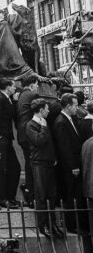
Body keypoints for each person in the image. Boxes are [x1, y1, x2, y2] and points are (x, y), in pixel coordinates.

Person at [26, 98, 64, 239]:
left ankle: (52, 223)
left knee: (51, 195)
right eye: (47, 109)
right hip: (38, 164)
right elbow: (39, 141)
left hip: (48, 163)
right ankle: (43, 225)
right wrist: (43, 127)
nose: (48, 111)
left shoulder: (44, 123)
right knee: (41, 195)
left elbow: (50, 143)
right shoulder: (30, 125)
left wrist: (53, 157)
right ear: (41, 110)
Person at [52, 92, 86, 233]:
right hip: (69, 167)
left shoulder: (70, 119)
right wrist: (73, 166)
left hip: (75, 163)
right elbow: (64, 147)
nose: (77, 108)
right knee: (71, 195)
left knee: (76, 194)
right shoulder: (61, 122)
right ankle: (71, 225)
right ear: (67, 106)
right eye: (75, 106)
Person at [0, 78, 21, 208]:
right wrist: (0, 138)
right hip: (0, 139)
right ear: (8, 87)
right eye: (13, 86)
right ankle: (2, 198)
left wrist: (14, 101)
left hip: (7, 139)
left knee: (15, 168)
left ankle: (10, 196)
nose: (15, 88)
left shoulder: (7, 99)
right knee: (1, 169)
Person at [16, 73, 41, 205]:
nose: (37, 87)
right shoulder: (32, 95)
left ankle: (29, 191)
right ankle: (32, 194)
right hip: (30, 134)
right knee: (34, 165)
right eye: (37, 85)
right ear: (32, 85)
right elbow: (41, 110)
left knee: (29, 164)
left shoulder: (21, 95)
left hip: (22, 134)